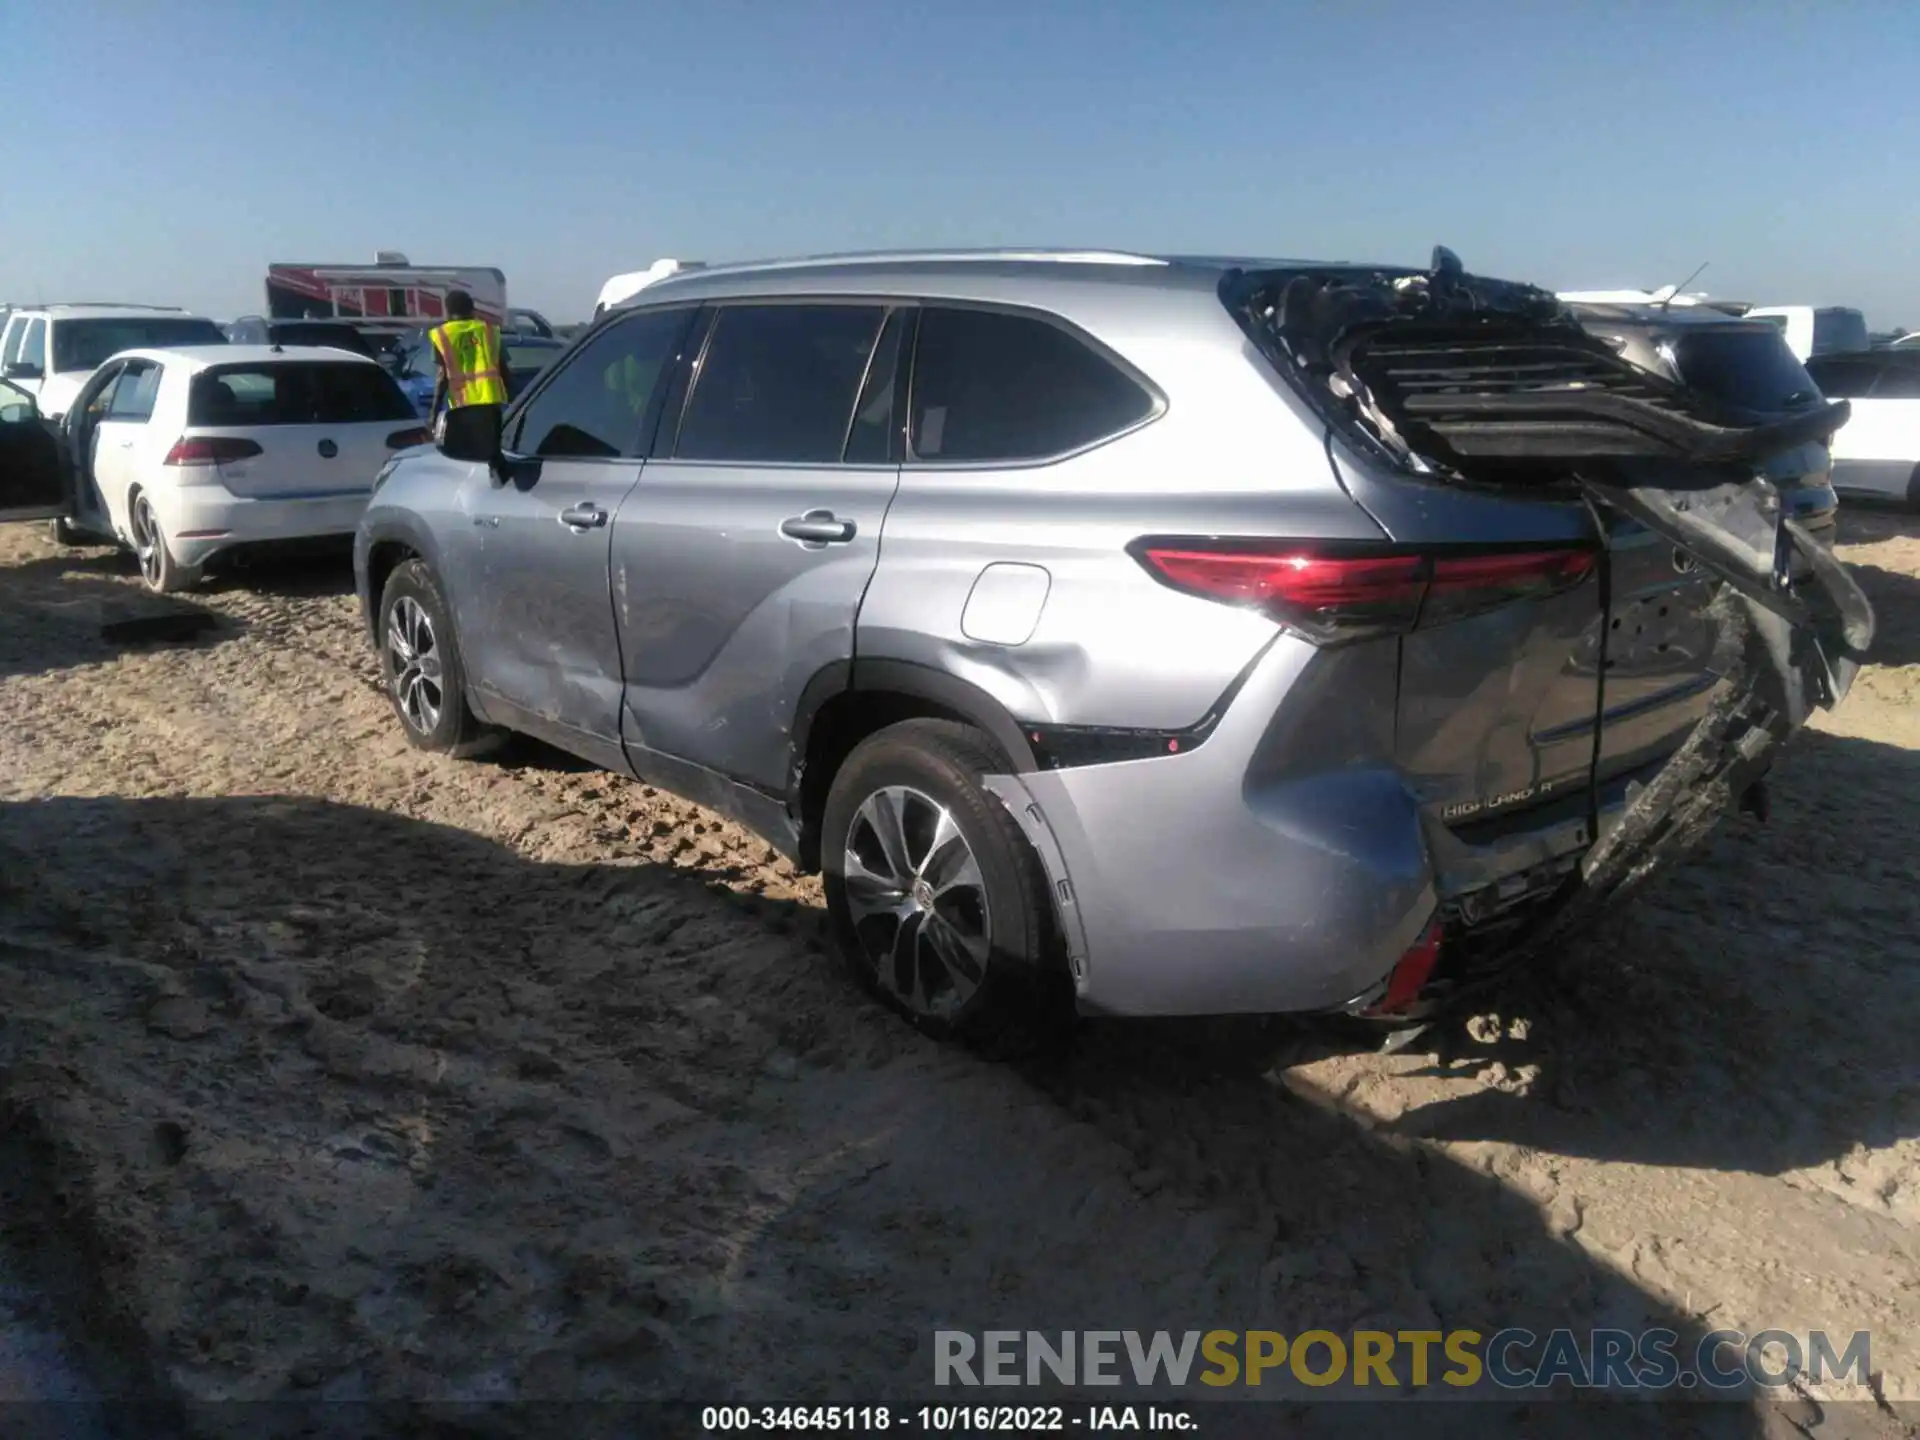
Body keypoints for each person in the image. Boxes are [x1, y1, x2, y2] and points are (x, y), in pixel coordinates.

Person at [428, 290, 508, 459]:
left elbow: (442, 376)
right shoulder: (489, 331)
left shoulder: (442, 334)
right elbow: (504, 369)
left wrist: (434, 412)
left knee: (467, 458)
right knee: (492, 455)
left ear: (448, 311)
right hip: (490, 405)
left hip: (460, 407)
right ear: (472, 309)